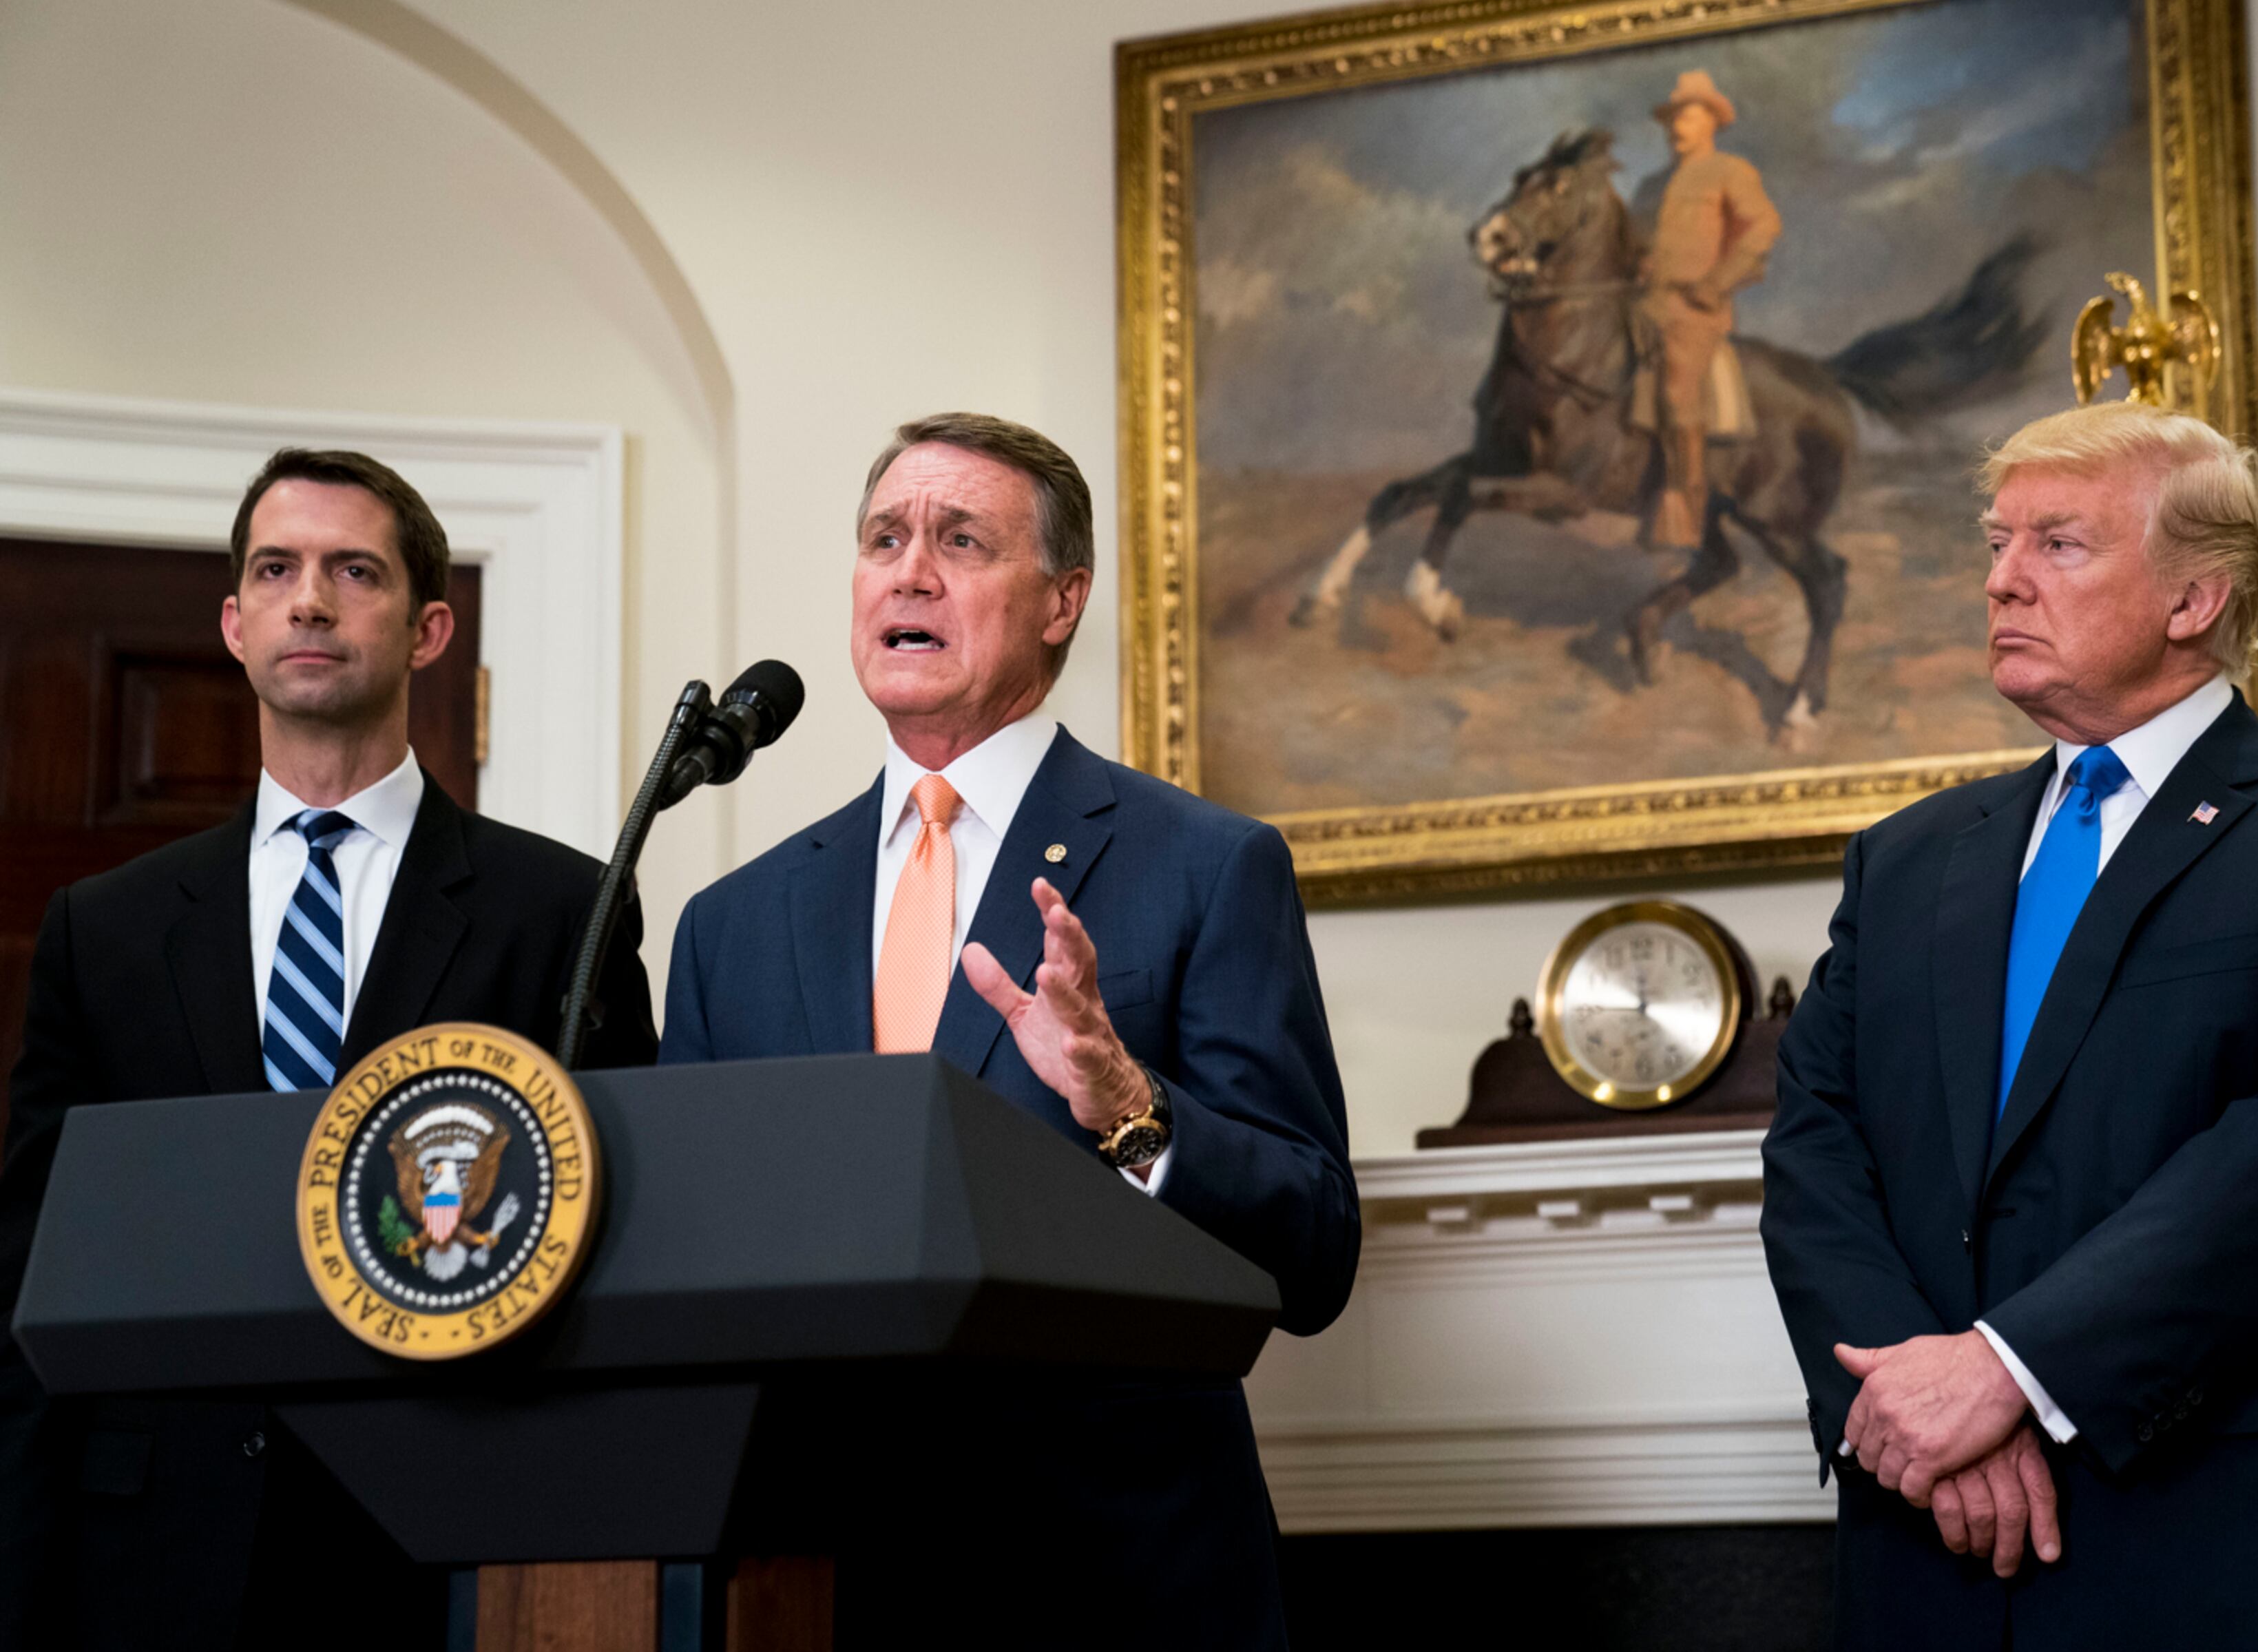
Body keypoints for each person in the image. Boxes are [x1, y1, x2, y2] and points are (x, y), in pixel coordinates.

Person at [1759, 401, 2258, 1649]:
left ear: (2194, 598)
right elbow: (1815, 1147)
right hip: (1933, 1542)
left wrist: (2008, 1366)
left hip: (2243, 1530)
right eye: (1997, 542)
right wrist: (1916, 1398)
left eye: (2057, 543)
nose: (2002, 579)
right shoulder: (1906, 858)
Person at [660, 410, 1359, 1649]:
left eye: (962, 540)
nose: (910, 572)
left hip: (1114, 1573)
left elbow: (1313, 1251)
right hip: (813, 1569)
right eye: (885, 538)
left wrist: (1130, 1104)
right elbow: (690, 1256)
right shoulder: (734, 922)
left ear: (1061, 600)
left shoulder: (1206, 865)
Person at [0, 449, 658, 1650]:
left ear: (428, 629)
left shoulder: (560, 910)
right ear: (234, 624)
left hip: (441, 1534)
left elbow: (617, 1268)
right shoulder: (107, 929)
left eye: (354, 570)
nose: (308, 599)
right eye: (275, 569)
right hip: (145, 1552)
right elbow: (34, 1278)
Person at [1634, 67, 1781, 549]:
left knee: (1678, 396)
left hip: (1693, 310)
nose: (1679, 126)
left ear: (1712, 123)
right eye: (1674, 118)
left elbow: (1763, 226)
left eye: (1690, 117)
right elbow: (1637, 241)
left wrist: (1717, 283)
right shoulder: (1652, 185)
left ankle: (1686, 509)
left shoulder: (1728, 172)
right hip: (1644, 305)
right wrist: (1639, 262)